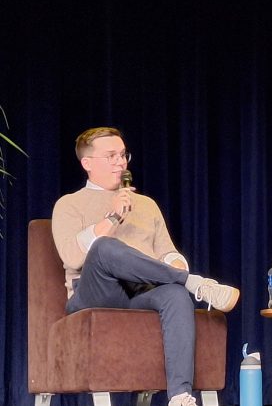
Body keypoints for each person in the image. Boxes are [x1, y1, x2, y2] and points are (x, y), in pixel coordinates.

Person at [52, 127, 240, 406]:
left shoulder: (146, 205)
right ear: (87, 164)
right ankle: (192, 282)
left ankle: (180, 395)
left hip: (138, 288)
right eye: (111, 156)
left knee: (175, 295)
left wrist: (175, 264)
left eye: (123, 154)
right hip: (94, 290)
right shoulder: (69, 204)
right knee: (105, 247)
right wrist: (112, 217)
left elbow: (167, 253)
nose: (121, 162)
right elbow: (72, 257)